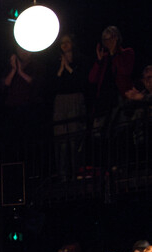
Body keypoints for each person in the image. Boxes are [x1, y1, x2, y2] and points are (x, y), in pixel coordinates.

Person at [52, 34, 88, 180]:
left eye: (67, 42)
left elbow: (81, 81)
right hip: (61, 101)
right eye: (62, 43)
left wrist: (68, 67)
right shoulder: (55, 62)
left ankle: (76, 172)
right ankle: (62, 174)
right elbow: (53, 85)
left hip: (75, 99)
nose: (65, 45)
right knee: (61, 139)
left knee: (74, 137)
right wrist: (61, 68)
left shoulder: (80, 60)